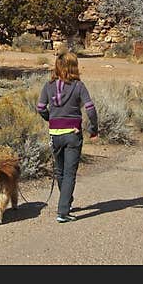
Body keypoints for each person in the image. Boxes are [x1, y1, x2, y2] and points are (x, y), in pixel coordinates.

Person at [36, 51, 99, 223]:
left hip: (55, 135)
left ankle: (66, 202)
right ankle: (63, 211)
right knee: (70, 173)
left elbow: (41, 107)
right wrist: (94, 128)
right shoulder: (78, 86)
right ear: (74, 66)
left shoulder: (48, 86)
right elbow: (90, 109)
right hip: (73, 134)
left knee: (60, 171)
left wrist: (51, 119)